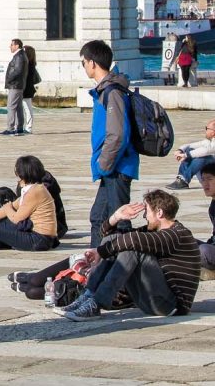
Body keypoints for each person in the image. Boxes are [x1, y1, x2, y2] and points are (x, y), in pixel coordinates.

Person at [62, 189, 202, 321]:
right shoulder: (156, 231)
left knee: (133, 248)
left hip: (171, 306)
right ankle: (89, 295)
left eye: (147, 211)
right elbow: (112, 239)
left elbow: (132, 240)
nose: (144, 216)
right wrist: (116, 217)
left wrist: (100, 251)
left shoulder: (177, 234)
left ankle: (96, 303)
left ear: (159, 213)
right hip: (151, 300)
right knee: (114, 242)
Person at [83, 39, 138, 247]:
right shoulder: (106, 90)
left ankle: (124, 269)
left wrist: (104, 163)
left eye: (84, 62)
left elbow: (118, 134)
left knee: (121, 222)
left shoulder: (112, 92)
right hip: (112, 167)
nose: (85, 67)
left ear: (92, 63)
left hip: (117, 166)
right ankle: (95, 266)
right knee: (99, 218)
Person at [167, 117, 215, 189]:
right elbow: (189, 146)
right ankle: (181, 179)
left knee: (203, 158)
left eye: (207, 128)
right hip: (209, 173)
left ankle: (184, 181)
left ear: (213, 132)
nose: (205, 131)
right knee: (190, 149)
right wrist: (180, 150)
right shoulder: (208, 141)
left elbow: (206, 150)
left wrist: (185, 155)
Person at [1, 38, 27, 135]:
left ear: (17, 46)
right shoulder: (21, 55)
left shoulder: (19, 56)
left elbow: (18, 71)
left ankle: (10, 128)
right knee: (19, 107)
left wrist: (9, 79)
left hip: (15, 85)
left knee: (11, 106)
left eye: (12, 45)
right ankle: (19, 127)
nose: (10, 46)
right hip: (19, 85)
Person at [21, 44, 40, 134]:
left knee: (27, 109)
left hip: (27, 90)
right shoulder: (30, 63)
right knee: (26, 108)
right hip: (26, 89)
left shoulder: (29, 64)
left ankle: (28, 127)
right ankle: (27, 126)